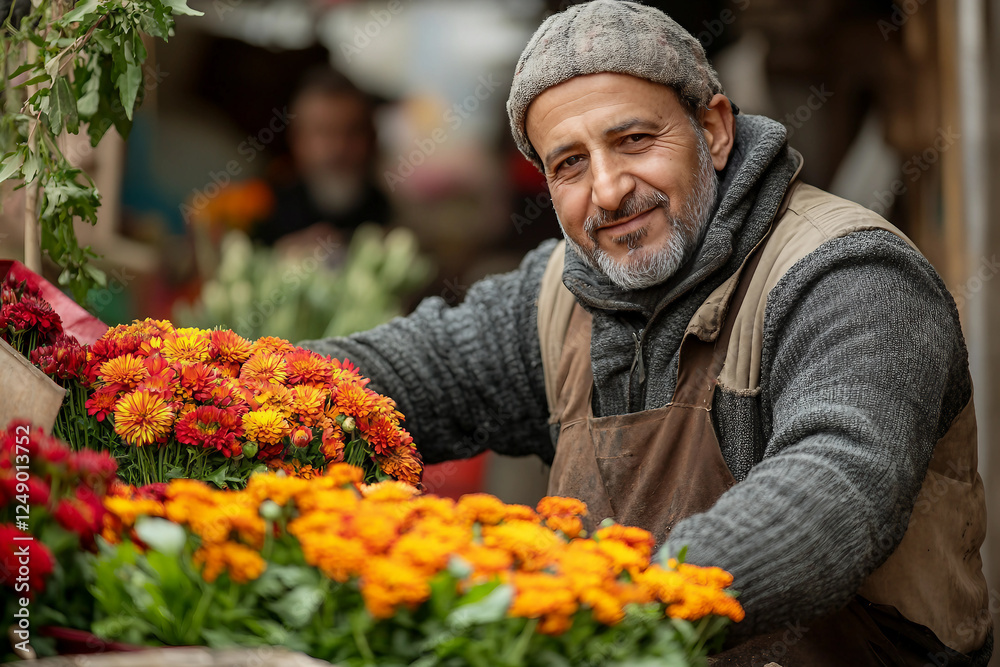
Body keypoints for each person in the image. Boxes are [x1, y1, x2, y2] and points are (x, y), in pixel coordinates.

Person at [302, 1, 992, 663]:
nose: (607, 190)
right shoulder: (560, 294)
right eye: (569, 163)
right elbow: (413, 371)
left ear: (715, 130)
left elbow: (834, 490)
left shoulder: (851, 276)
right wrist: (225, 383)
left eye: (633, 140)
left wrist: (608, 606)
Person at [252, 67, 390, 248]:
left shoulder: (394, 215)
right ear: (297, 139)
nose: (338, 148)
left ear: (372, 139)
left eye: (353, 132)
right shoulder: (261, 212)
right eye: (324, 132)